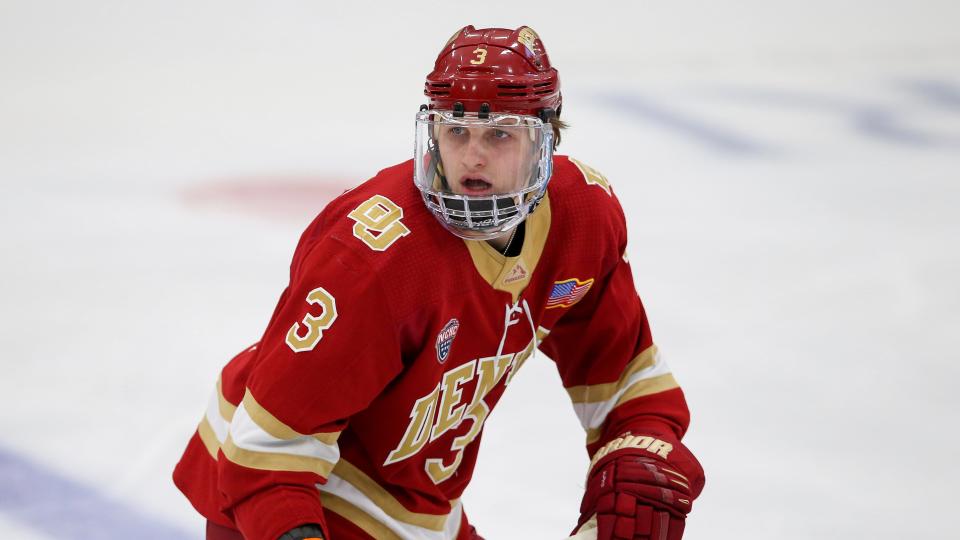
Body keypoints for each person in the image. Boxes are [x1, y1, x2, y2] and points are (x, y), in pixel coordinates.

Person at [173, 25, 705, 540]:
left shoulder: (583, 218)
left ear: (547, 138)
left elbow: (627, 380)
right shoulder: (375, 258)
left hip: (419, 498)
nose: (472, 156)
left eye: (499, 133)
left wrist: (640, 451)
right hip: (294, 485)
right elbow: (267, 455)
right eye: (456, 131)